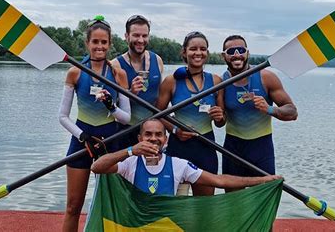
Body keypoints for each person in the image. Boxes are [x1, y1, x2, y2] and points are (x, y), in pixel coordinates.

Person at [58, 16, 131, 232]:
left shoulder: (119, 74)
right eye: (95, 42)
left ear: (110, 44)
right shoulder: (75, 72)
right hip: (82, 142)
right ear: (87, 44)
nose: (99, 47)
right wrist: (83, 136)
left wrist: (111, 106)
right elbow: (62, 116)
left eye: (104, 42)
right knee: (73, 207)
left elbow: (126, 118)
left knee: (115, 207)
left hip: (110, 142)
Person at [91, 119, 282, 196]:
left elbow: (219, 180)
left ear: (166, 140)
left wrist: (263, 180)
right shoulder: (129, 162)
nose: (153, 139)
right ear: (140, 138)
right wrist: (130, 150)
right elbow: (97, 167)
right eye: (148, 135)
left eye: (159, 135)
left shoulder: (179, 165)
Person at [220, 35, 297, 192]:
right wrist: (217, 116)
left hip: (261, 148)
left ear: (247, 53)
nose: (236, 55)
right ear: (224, 56)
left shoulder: (266, 78)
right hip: (233, 148)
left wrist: (270, 109)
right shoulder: (220, 83)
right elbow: (220, 122)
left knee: (265, 196)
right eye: (231, 51)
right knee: (232, 199)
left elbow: (292, 111)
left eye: (240, 50)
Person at [155, 31, 226, 196]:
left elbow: (221, 122)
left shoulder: (216, 81)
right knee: (176, 206)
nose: (198, 53)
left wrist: (220, 117)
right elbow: (157, 113)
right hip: (178, 147)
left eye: (203, 49)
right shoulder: (171, 81)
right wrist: (174, 130)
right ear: (184, 52)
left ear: (207, 53)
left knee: (204, 206)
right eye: (193, 48)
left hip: (206, 147)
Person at [111, 15, 164, 147]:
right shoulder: (115, 65)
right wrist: (130, 93)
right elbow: (108, 106)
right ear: (126, 36)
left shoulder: (157, 60)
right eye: (136, 35)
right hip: (124, 131)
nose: (141, 40)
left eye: (144, 36)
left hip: (151, 132)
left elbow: (160, 98)